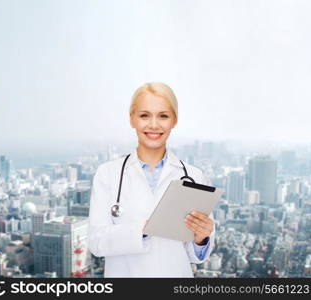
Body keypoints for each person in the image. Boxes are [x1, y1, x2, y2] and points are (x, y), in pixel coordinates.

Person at [88, 82, 215, 277]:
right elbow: (97, 242)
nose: (154, 125)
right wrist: (143, 229)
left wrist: (201, 238)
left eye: (163, 116)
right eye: (144, 115)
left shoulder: (194, 176)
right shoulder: (108, 175)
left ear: (174, 120)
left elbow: (196, 256)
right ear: (132, 119)